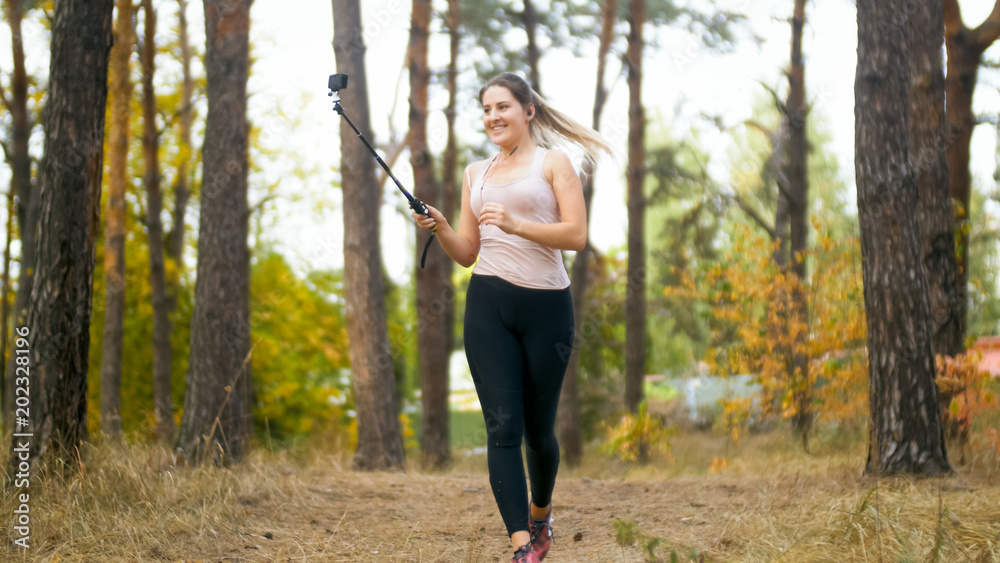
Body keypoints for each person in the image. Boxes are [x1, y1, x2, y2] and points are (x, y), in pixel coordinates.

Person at [411, 72, 610, 563]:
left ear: (528, 111)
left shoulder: (553, 163)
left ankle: (541, 515)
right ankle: (522, 544)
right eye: (486, 109)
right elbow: (467, 252)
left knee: (539, 431)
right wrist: (440, 226)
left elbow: (577, 236)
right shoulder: (475, 173)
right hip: (488, 305)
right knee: (502, 427)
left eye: (502, 107)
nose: (493, 117)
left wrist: (519, 224)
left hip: (547, 307)